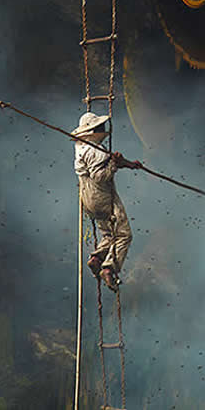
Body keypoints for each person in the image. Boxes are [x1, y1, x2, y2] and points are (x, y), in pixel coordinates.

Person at [72, 112, 141, 291]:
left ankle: (96, 258)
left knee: (109, 235)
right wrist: (114, 165)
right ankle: (109, 268)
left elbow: (109, 160)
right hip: (101, 195)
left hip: (86, 198)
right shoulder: (95, 150)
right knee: (124, 235)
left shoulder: (81, 147)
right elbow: (100, 176)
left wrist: (129, 164)